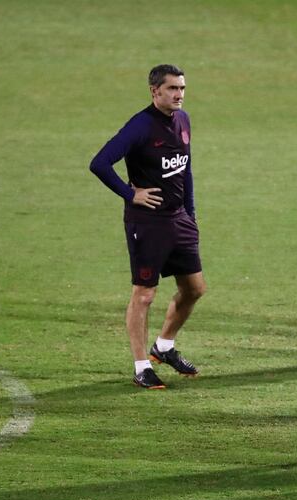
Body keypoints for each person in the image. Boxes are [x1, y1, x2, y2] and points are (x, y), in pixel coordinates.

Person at [89, 64, 205, 389]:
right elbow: (99, 163)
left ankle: (163, 347)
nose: (179, 94)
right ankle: (141, 366)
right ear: (154, 91)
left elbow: (186, 169)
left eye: (182, 88)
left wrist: (191, 213)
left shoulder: (183, 120)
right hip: (148, 223)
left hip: (179, 219)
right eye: (172, 89)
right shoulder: (140, 126)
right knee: (144, 295)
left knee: (194, 289)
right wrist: (130, 193)